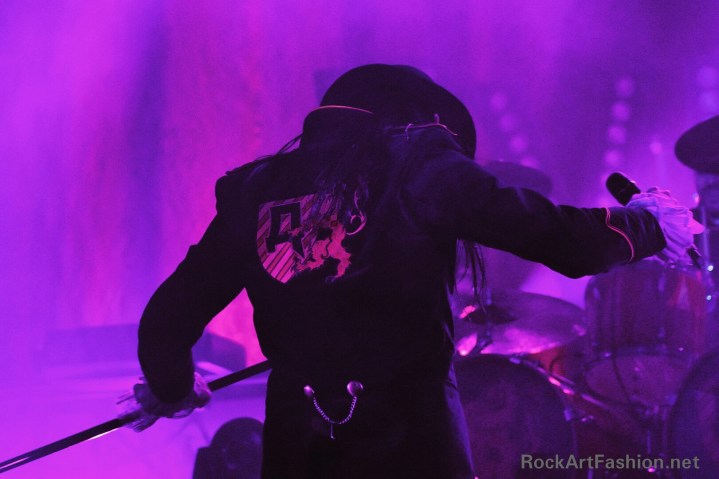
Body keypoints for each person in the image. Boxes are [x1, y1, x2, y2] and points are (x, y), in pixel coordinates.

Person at [124, 64, 700, 479]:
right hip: (412, 447)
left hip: (297, 449)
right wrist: (648, 224)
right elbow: (559, 238)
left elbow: (166, 322)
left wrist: (173, 387)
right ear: (420, 120)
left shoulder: (255, 191)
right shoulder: (417, 160)